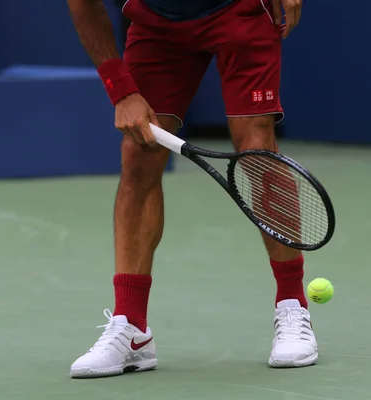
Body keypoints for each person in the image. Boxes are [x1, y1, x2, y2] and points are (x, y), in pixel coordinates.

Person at [67, 0, 314, 379]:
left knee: (255, 149)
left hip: (240, 8)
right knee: (138, 154)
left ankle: (292, 303)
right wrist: (120, 89)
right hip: (158, 21)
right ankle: (131, 327)